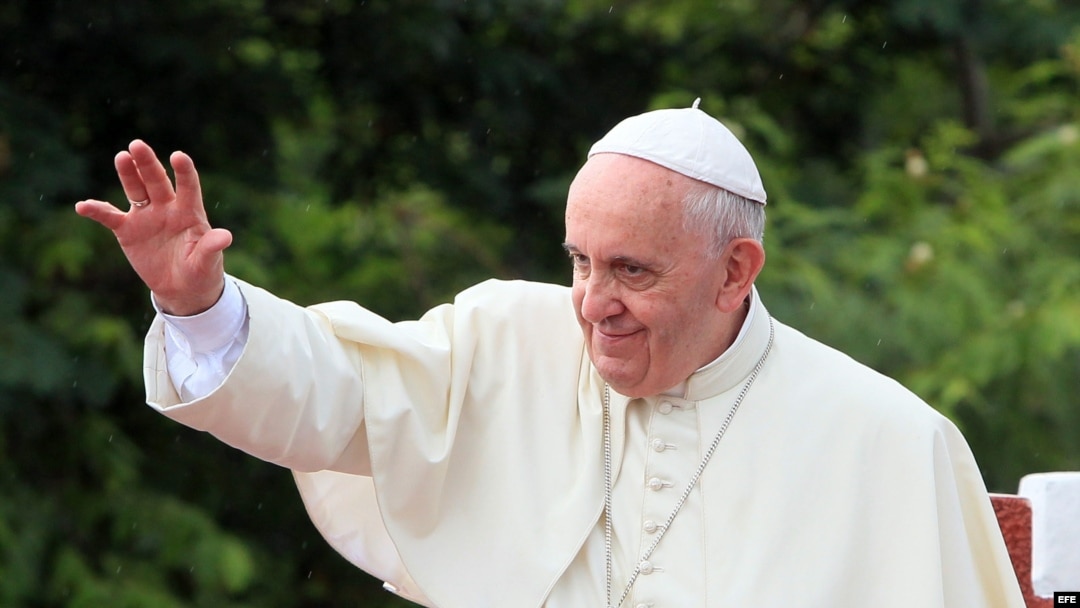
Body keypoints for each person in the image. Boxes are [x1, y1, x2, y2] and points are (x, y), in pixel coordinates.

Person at [76, 101, 1024, 608]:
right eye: (579, 261)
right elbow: (336, 393)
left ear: (736, 271)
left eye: (632, 271)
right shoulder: (505, 340)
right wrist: (197, 304)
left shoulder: (889, 442)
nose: (593, 305)